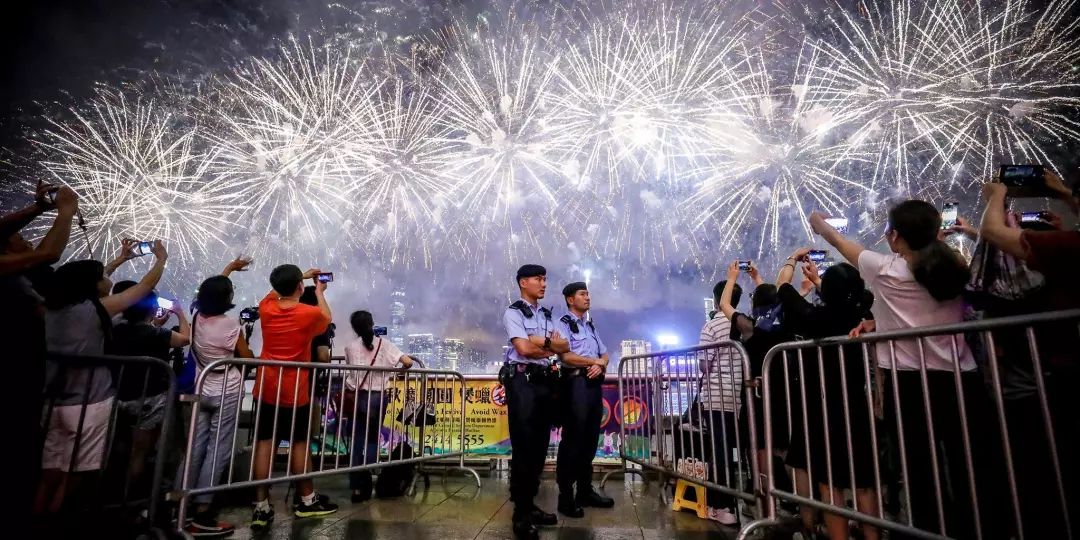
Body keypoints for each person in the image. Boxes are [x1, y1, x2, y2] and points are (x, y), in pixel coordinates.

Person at [810, 204, 996, 538]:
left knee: (920, 470)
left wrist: (818, 223)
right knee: (970, 466)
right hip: (961, 379)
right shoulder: (952, 266)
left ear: (895, 236)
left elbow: (838, 241)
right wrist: (877, 322)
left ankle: (929, 532)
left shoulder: (885, 269)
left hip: (910, 383)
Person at [36, 240, 168, 519]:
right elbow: (142, 289)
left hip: (54, 402)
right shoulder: (94, 311)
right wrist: (160, 259)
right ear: (93, 285)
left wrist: (119, 260)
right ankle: (56, 522)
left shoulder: (51, 309)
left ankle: (37, 518)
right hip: (89, 403)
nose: (106, 279)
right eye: (102, 277)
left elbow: (82, 280)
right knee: (77, 472)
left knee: (50, 471)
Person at [771, 252, 880, 540]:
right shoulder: (863, 312)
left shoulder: (815, 318)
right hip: (858, 405)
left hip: (825, 409)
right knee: (865, 483)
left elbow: (782, 286)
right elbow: (845, 298)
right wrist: (820, 280)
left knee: (830, 484)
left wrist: (792, 261)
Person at [0, 183, 78, 522]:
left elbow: (40, 253)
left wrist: (37, 209)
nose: (27, 239)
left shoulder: (17, 271)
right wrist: (65, 211)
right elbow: (49, 254)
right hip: (12, 372)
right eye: (19, 238)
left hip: (26, 370)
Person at [249, 264, 338, 531]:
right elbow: (326, 316)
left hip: (266, 387)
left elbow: (273, 293)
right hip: (295, 390)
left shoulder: (266, 308)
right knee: (299, 443)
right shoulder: (308, 313)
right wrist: (319, 290)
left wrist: (298, 278)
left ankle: (261, 506)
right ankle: (307, 501)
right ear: (301, 287)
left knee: (265, 443)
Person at [175, 257, 254, 537]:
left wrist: (228, 270)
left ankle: (179, 505)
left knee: (194, 447)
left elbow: (210, 291)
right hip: (227, 392)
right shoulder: (231, 325)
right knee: (217, 449)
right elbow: (247, 358)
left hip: (201, 388)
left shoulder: (195, 317)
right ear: (228, 299)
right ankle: (203, 513)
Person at [499, 264, 569, 540]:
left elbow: (564, 346)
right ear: (523, 282)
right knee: (524, 446)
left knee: (540, 447)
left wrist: (543, 343)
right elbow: (524, 348)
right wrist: (546, 344)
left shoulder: (547, 315)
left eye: (544, 279)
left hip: (544, 383)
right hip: (522, 383)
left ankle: (531, 505)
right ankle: (521, 512)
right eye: (538, 279)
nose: (543, 284)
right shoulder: (513, 312)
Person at [109, 281, 190, 500]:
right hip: (149, 398)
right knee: (140, 453)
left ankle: (112, 497)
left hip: (118, 396)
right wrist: (181, 314)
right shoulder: (155, 335)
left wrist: (155, 323)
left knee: (118, 450)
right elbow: (184, 339)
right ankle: (130, 500)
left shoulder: (116, 329)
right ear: (152, 309)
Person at [553, 282, 614, 519]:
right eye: (582, 294)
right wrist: (593, 363)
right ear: (570, 299)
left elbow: (605, 354)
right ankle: (565, 497)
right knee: (573, 441)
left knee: (590, 439)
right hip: (574, 385)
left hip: (592, 385)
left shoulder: (589, 325)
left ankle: (585, 491)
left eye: (588, 293)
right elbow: (565, 355)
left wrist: (600, 365)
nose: (587, 297)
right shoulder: (562, 324)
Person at [342, 310, 414, 502]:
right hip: (378, 397)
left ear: (354, 327)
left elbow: (351, 374)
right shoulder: (385, 345)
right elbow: (407, 362)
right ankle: (370, 480)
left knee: (357, 441)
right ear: (372, 324)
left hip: (357, 397)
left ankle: (358, 488)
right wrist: (394, 373)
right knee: (373, 438)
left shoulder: (350, 347)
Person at [697, 277, 746, 525]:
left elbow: (704, 364)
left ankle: (719, 505)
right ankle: (741, 501)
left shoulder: (712, 327)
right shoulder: (745, 324)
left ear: (717, 300)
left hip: (717, 397)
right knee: (739, 453)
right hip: (740, 397)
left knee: (719, 453)